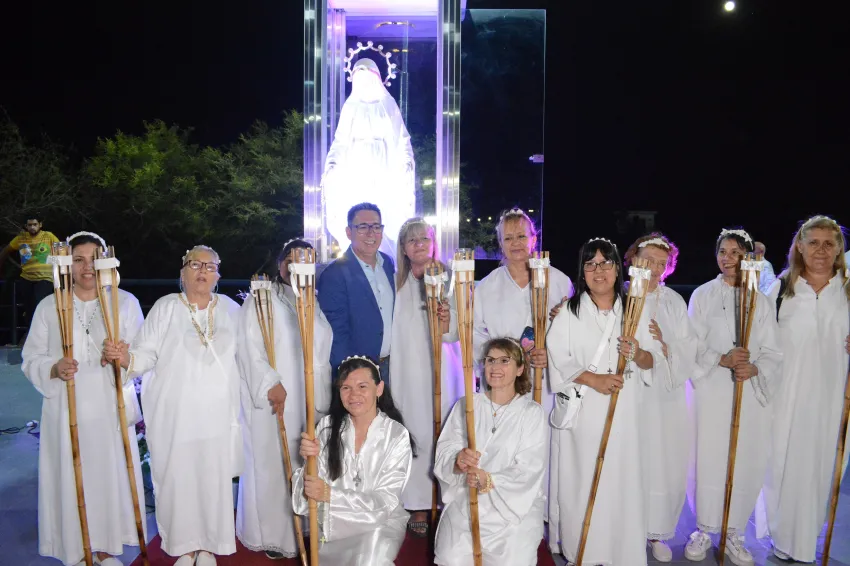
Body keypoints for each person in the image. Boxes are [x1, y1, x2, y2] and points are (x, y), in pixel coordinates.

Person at [103, 245, 243, 566]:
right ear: (183, 271)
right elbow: (145, 354)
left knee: (212, 478)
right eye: (195, 264)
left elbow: (249, 356)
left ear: (218, 274)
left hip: (216, 414)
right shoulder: (166, 307)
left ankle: (208, 546)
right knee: (176, 479)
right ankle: (184, 546)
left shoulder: (232, 310)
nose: (203, 271)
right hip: (173, 414)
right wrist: (125, 358)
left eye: (210, 266)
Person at [22, 231, 146, 566]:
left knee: (108, 476)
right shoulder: (50, 306)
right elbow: (30, 358)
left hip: (110, 406)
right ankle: (77, 551)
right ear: (67, 264)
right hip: (67, 408)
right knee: (70, 476)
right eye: (78, 260)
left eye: (94, 259)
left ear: (106, 262)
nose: (87, 267)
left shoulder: (124, 303)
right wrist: (53, 367)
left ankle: (106, 549)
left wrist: (123, 357)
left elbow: (143, 356)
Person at [547, 237, 649, 565]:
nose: (599, 270)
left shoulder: (635, 308)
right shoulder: (569, 312)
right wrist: (595, 379)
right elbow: (558, 357)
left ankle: (622, 554)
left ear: (618, 269)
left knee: (621, 481)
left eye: (606, 263)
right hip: (585, 415)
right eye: (590, 264)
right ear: (582, 272)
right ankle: (583, 554)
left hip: (625, 413)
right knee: (583, 480)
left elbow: (652, 360)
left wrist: (637, 352)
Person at [685, 228, 782, 565]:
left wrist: (754, 368)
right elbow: (691, 343)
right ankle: (704, 528)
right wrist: (721, 359)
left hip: (748, 392)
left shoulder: (761, 301)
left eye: (736, 253)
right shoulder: (702, 295)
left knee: (744, 458)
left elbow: (773, 350)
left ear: (748, 258)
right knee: (708, 457)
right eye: (723, 252)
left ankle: (734, 532)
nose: (728, 259)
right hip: (711, 390)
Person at [236, 239, 333, 559]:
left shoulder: (311, 297)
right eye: (290, 259)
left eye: (305, 259)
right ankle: (276, 535)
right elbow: (249, 346)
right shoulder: (263, 297)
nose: (296, 264)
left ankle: (306, 525)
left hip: (310, 397)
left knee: (307, 464)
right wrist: (270, 382)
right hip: (278, 396)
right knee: (276, 465)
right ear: (280, 264)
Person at [763, 216, 850, 562]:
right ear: (799, 247)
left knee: (820, 468)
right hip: (786, 396)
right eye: (813, 242)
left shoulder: (847, 288)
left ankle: (804, 539)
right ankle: (782, 536)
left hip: (833, 398)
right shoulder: (781, 290)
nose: (821, 250)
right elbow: (760, 340)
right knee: (782, 464)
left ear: (839, 249)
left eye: (829, 243)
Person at [433, 338, 547, 566]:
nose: (495, 367)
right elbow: (446, 449)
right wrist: (458, 460)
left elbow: (529, 468)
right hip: (467, 499)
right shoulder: (466, 405)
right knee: (450, 557)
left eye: (505, 361)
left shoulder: (531, 413)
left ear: (520, 369)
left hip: (513, 507)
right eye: (490, 360)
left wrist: (489, 479)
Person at [292, 356, 413, 566]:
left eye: (362, 386)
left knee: (372, 556)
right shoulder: (327, 426)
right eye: (346, 388)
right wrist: (310, 461)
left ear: (379, 389)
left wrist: (331, 494)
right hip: (334, 520)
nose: (353, 395)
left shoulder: (396, 434)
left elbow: (385, 501)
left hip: (379, 521)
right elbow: (310, 491)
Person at [623, 233, 697, 562]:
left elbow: (689, 347)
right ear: (633, 259)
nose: (654, 268)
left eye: (661, 264)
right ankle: (626, 529)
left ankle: (657, 532)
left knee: (661, 461)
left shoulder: (674, 302)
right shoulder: (618, 295)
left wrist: (666, 345)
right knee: (630, 458)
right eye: (648, 260)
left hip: (664, 396)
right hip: (629, 392)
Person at [389, 218, 464, 537]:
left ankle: (446, 499)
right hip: (407, 370)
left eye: (424, 238)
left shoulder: (450, 278)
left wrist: (446, 320)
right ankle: (418, 502)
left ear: (434, 243)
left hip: (442, 369)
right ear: (404, 248)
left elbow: (459, 327)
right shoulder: (397, 282)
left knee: (444, 430)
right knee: (414, 432)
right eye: (412, 240)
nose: (419, 244)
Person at [473, 208, 573, 413]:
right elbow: (475, 333)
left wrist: (552, 355)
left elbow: (572, 333)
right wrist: (500, 359)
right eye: (508, 238)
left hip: (544, 378)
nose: (515, 243)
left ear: (533, 239)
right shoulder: (486, 286)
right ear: (501, 244)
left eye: (521, 236)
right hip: (503, 379)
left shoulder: (559, 281)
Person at [322, 57, 415, 262]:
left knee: (382, 212)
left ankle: (386, 260)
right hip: (357, 166)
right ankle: (357, 258)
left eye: (368, 78)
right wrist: (333, 164)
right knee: (359, 212)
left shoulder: (388, 105)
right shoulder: (351, 107)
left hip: (383, 166)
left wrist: (406, 161)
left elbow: (401, 138)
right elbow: (340, 141)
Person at [318, 202, 396, 382]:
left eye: (376, 226)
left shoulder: (388, 264)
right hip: (358, 371)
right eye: (362, 227)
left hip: (391, 366)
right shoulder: (334, 274)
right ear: (348, 232)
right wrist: (348, 376)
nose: (371, 233)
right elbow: (336, 333)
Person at [0, 215, 60, 335]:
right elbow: (6, 250)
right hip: (26, 277)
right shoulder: (21, 238)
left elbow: (62, 249)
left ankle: (44, 333)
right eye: (30, 225)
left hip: (45, 278)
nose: (32, 227)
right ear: (26, 226)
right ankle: (31, 335)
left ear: (40, 225)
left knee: (40, 304)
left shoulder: (48, 236)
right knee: (28, 308)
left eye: (35, 224)